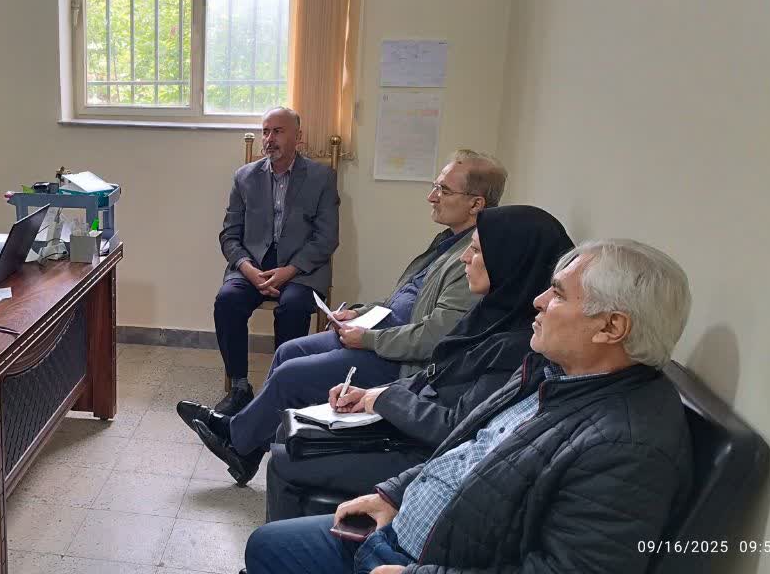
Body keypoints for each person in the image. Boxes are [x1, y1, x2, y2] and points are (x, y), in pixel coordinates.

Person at [245, 239, 694, 574]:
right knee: (265, 545)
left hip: (424, 560)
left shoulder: (627, 445)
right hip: (405, 532)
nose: (538, 301)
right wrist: (396, 494)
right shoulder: (550, 373)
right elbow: (467, 447)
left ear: (611, 327)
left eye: (558, 294)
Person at [181, 150, 507, 484]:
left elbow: (433, 338)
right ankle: (248, 449)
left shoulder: (474, 258)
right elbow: (406, 301)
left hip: (403, 362)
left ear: (476, 204)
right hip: (383, 334)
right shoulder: (449, 242)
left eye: (444, 190)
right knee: (287, 352)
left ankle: (237, 440)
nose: (432, 197)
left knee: (291, 375)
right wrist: (360, 313)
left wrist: (367, 338)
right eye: (435, 186)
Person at [264, 205, 573, 521]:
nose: (464, 258)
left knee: (285, 459)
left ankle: (294, 544)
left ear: (511, 261)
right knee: (290, 431)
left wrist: (383, 399)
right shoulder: (489, 317)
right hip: (412, 429)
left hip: (429, 456)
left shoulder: (518, 346)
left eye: (477, 251)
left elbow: (457, 428)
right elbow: (435, 375)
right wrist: (369, 394)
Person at [213, 107, 340, 414]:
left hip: (301, 268)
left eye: (278, 131)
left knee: (293, 307)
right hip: (253, 265)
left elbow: (327, 238)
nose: (270, 139)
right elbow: (229, 235)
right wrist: (248, 270)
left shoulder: (321, 177)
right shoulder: (244, 177)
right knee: (227, 301)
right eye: (266, 131)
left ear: (299, 137)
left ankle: (281, 387)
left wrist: (289, 271)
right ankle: (239, 387)